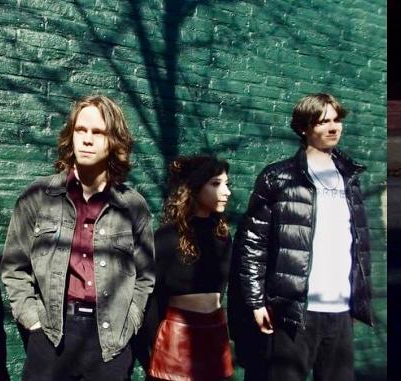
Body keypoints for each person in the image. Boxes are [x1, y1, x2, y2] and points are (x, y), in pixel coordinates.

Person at [0, 94, 155, 381]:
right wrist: (32, 319)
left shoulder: (133, 206)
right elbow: (14, 267)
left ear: (114, 142)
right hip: (52, 333)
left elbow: (144, 277)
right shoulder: (38, 196)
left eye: (98, 133)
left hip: (109, 341)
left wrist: (130, 321)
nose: (86, 139)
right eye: (80, 130)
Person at [233, 93, 373, 381]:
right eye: (323, 122)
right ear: (304, 128)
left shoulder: (350, 178)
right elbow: (252, 244)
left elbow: (357, 244)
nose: (334, 127)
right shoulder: (279, 177)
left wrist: (357, 299)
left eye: (337, 120)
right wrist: (256, 302)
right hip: (295, 312)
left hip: (341, 310)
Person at [145, 155, 233, 381]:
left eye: (227, 184)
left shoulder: (222, 236)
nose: (226, 192)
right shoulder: (167, 236)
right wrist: (154, 344)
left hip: (215, 333)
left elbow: (221, 289)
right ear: (194, 186)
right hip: (177, 337)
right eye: (216, 184)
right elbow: (151, 296)